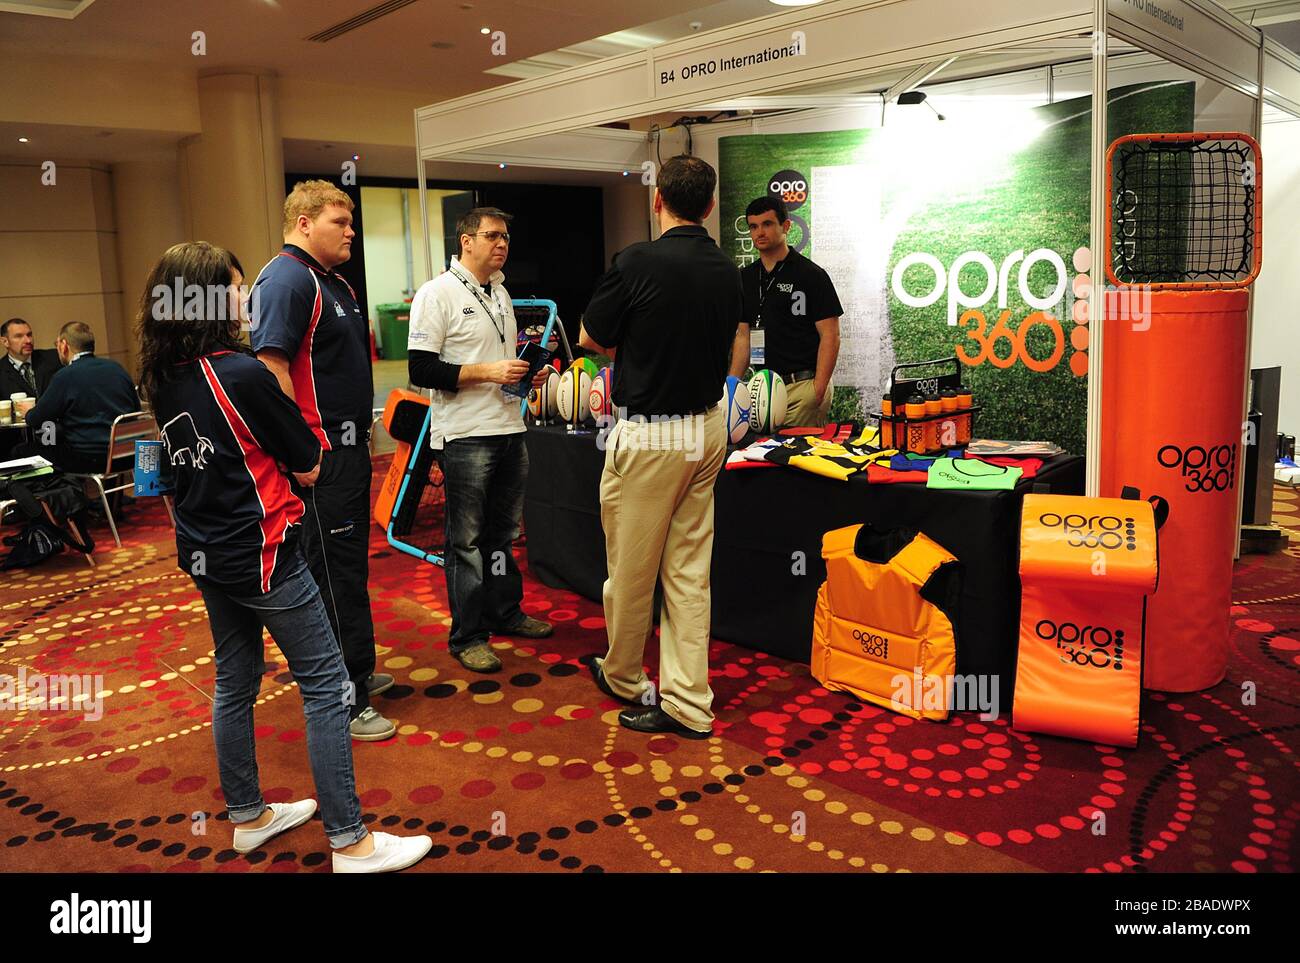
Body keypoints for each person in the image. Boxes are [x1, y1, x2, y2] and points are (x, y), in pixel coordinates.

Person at [136, 241, 430, 872]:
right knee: (328, 688)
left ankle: (248, 817)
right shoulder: (239, 374)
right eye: (236, 290)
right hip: (264, 551)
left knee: (234, 682)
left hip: (206, 552)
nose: (246, 301)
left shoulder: (164, 376)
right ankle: (350, 842)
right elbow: (312, 463)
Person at [578, 155, 742, 738]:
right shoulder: (728, 269)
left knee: (629, 570)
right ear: (710, 205)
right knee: (688, 574)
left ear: (657, 201)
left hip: (653, 432)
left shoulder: (636, 261)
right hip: (707, 427)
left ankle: (624, 675)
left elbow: (592, 338)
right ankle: (688, 702)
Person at [249, 180, 395, 741]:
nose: (351, 231)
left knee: (347, 571)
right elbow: (271, 369)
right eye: (341, 221)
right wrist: (299, 452)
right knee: (330, 576)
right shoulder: (287, 278)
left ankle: (355, 672)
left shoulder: (330, 281)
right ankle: (345, 698)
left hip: (347, 450)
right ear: (305, 222)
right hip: (320, 457)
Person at [407, 207, 554, 674]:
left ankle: (504, 613)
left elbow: (499, 362)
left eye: (506, 236)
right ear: (465, 240)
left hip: (509, 426)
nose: (502, 243)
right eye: (492, 235)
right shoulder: (437, 294)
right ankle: (468, 635)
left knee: (502, 536)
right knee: (466, 542)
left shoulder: (501, 293)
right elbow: (422, 369)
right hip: (467, 434)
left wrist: (526, 372)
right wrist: (487, 372)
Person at [729, 196, 843, 428]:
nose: (759, 232)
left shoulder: (811, 275)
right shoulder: (745, 278)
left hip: (802, 386)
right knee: (764, 458)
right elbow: (743, 337)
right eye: (753, 226)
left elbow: (830, 335)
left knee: (797, 459)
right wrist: (731, 388)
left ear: (786, 226)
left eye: (767, 224)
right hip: (762, 390)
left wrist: (817, 389)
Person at [25, 322, 139, 474]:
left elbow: (36, 419)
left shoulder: (65, 376)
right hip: (128, 454)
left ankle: (67, 497)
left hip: (90, 459)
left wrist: (28, 411)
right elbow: (136, 411)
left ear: (63, 345)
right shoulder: (117, 368)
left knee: (23, 451)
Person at [0, 318, 60, 400]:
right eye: (19, 336)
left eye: (29, 335)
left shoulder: (53, 357)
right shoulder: (2, 370)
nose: (28, 341)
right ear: (5, 342)